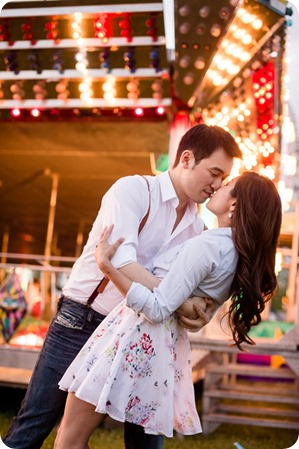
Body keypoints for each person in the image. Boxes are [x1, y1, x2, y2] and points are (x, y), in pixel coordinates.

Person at [3, 124, 242, 449]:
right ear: (186, 159)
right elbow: (120, 262)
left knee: (145, 440)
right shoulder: (132, 190)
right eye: (214, 173)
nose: (217, 185)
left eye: (224, 179)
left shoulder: (197, 227)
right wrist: (178, 302)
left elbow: (191, 295)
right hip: (84, 320)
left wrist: (198, 310)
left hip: (139, 335)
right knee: (34, 426)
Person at [53, 171, 282, 448]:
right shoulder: (234, 254)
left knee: (69, 438)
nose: (219, 186)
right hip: (161, 349)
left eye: (228, 184)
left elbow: (158, 307)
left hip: (134, 337)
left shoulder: (209, 246)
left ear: (234, 205)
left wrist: (107, 268)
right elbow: (185, 304)